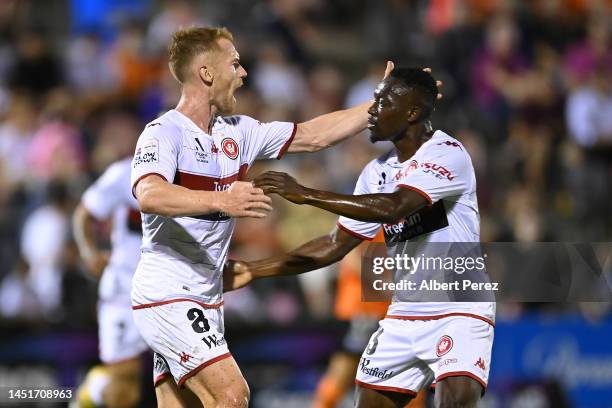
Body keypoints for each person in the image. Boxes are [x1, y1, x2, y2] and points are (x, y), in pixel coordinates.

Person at [129, 26, 396, 408]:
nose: (244, 73)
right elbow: (150, 194)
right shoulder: (163, 133)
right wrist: (223, 199)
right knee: (232, 395)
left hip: (206, 295)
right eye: (234, 64)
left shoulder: (240, 133)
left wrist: (376, 104)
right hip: (168, 294)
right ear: (207, 73)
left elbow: (312, 135)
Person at [233, 68, 495, 408]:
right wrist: (254, 270)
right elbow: (333, 246)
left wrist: (306, 193)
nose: (371, 110)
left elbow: (394, 207)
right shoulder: (376, 172)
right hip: (405, 313)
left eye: (384, 102)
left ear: (412, 112)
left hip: (458, 309)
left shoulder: (448, 153)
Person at [72, 158, 147, 407]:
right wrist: (89, 252)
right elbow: (84, 213)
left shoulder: (204, 174)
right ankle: (94, 390)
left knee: (191, 377)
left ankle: (98, 384)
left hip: (176, 288)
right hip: (126, 289)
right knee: (125, 385)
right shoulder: (125, 172)